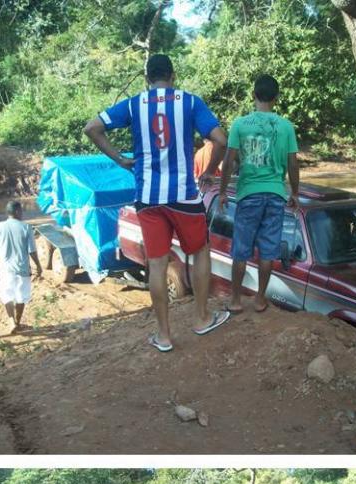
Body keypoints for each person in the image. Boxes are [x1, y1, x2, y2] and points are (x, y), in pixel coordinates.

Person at [84, 53, 230, 353]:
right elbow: (221, 140)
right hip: (184, 196)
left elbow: (92, 128)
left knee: (157, 264)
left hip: (147, 197)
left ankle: (163, 336)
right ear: (173, 76)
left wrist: (122, 160)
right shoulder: (189, 102)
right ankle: (202, 319)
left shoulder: (134, 104)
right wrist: (209, 173)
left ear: (147, 79)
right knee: (201, 251)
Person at [218, 75, 299, 314]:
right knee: (268, 249)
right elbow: (293, 164)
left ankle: (235, 300)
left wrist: (222, 191)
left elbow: (229, 159)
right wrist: (295, 191)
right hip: (275, 194)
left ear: (253, 95)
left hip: (248, 194)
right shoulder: (285, 126)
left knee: (241, 248)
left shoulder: (240, 125)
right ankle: (260, 299)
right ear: (276, 98)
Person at [0, 201, 42, 334]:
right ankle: (17, 322)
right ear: (17, 212)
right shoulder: (26, 227)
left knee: (6, 295)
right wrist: (38, 265)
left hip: (5, 269)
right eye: (21, 211)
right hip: (22, 269)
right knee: (21, 297)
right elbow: (32, 250)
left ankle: (11, 321)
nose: (22, 213)